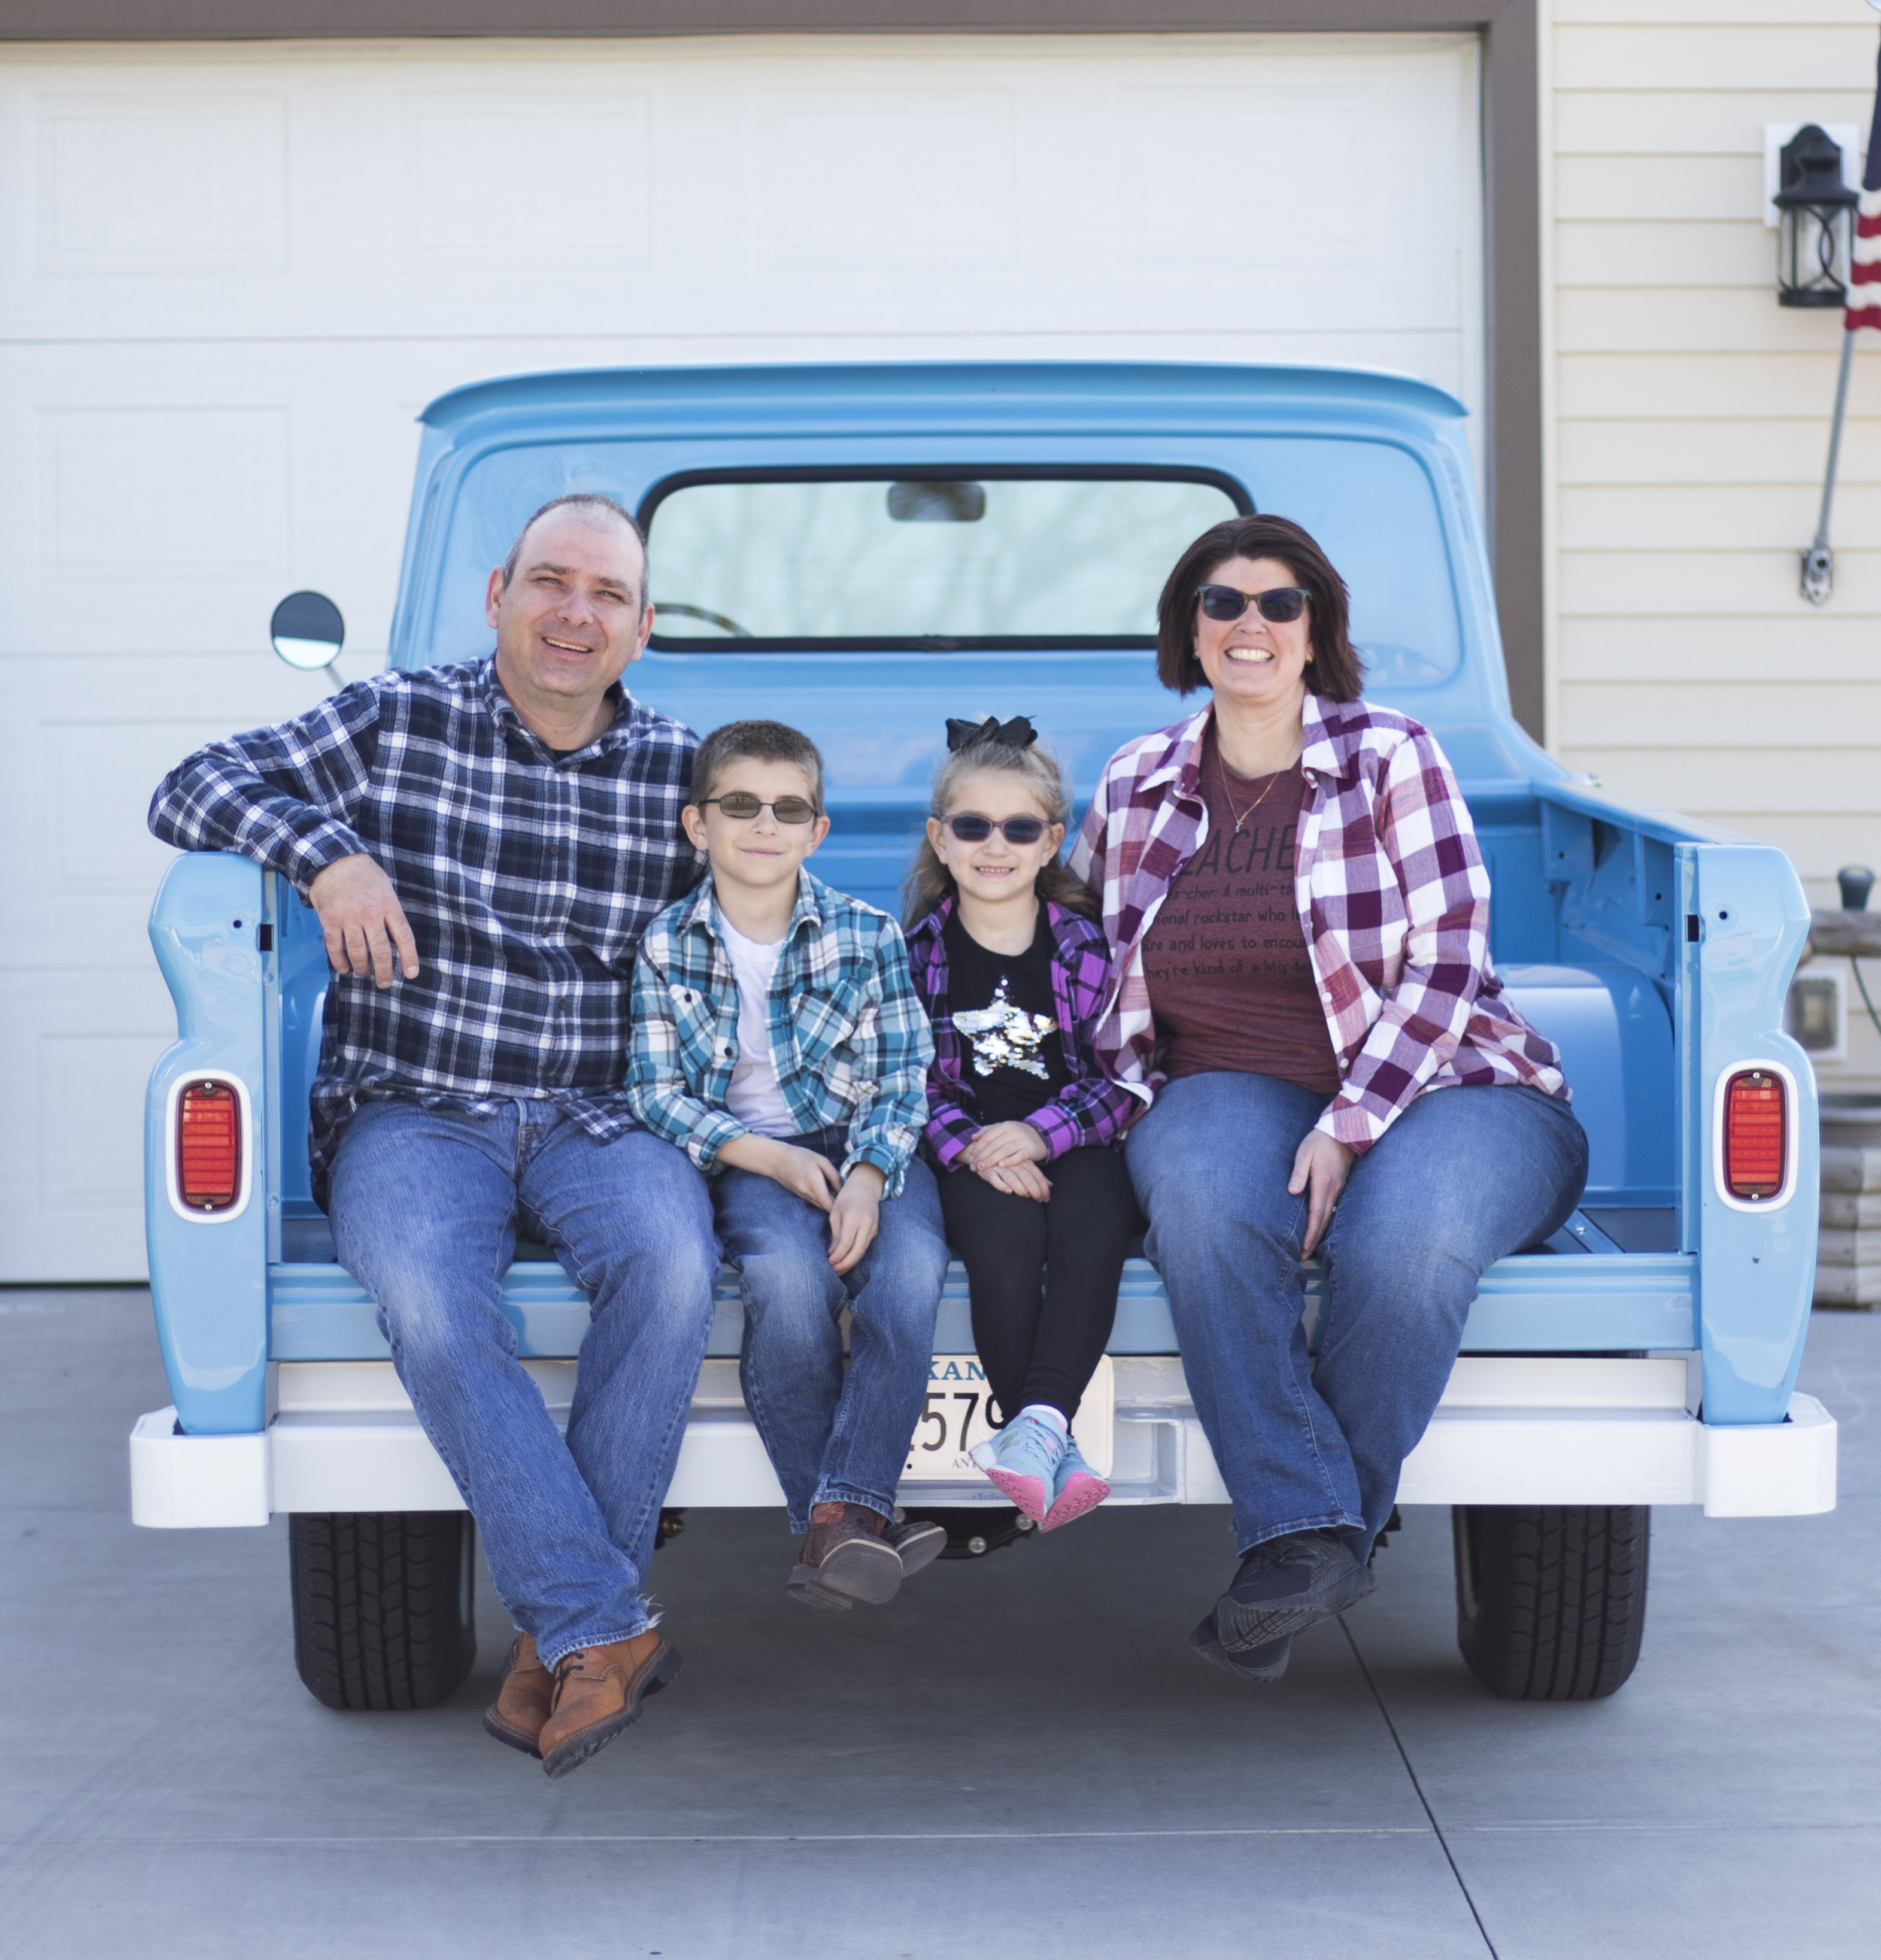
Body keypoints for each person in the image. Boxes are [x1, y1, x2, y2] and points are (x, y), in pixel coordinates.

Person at [148, 493, 717, 1777]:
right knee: (423, 1292)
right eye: (551, 583)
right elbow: (192, 783)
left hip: (600, 1109)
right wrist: (327, 858)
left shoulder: (680, 769)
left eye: (607, 596)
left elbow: (764, 916)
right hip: (416, 1102)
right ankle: (594, 1621)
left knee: (675, 1267)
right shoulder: (395, 720)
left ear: (642, 626)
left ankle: (574, 1634)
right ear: (498, 596)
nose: (576, 613)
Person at [1072, 514, 1590, 1685]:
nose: (1247, 624)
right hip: (1219, 1079)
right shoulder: (1133, 780)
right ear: (1186, 627)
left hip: (1457, 1083)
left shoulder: (1389, 756)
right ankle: (1308, 1534)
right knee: (1201, 1206)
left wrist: (1352, 1122)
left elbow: (1449, 960)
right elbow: (1087, 964)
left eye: (1277, 603)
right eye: (1220, 602)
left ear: (1317, 630)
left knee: (1404, 1240)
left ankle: (1304, 1541)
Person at [626, 719, 950, 1609]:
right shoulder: (666, 945)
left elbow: (901, 1074)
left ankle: (838, 1518)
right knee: (788, 1281)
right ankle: (850, 1522)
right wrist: (763, 1155)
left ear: (818, 832)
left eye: (789, 808)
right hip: (749, 1155)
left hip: (867, 1149)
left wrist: (870, 1177)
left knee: (910, 1271)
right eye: (741, 806)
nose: (764, 825)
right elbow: (655, 1092)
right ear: (699, 825)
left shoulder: (866, 933)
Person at [901, 715, 1139, 1531]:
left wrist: (1043, 1131)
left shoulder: (1087, 950)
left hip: (1075, 1140)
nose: (993, 846)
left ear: (1052, 843)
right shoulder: (917, 955)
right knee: (1000, 1248)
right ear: (940, 838)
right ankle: (1043, 1435)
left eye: (1019, 828)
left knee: (1092, 1229)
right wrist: (967, 1145)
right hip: (971, 1150)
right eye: (972, 826)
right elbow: (909, 1076)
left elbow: (1127, 1075)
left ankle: (1034, 1428)